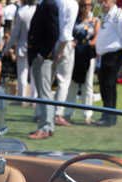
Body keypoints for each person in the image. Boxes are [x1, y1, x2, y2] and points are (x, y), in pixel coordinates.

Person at [92, 0, 122, 126]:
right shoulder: (106, 15)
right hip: (106, 55)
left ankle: (108, 117)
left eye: (105, 0)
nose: (102, 3)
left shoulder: (119, 14)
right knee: (108, 86)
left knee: (107, 87)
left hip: (114, 54)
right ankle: (110, 116)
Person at [26, 0, 59, 139]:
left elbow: (54, 33)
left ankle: (45, 127)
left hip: (43, 57)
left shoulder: (49, 4)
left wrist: (42, 54)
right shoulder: (44, 4)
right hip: (39, 55)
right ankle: (48, 125)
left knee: (44, 94)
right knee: (44, 93)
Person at [64, 0, 96, 123]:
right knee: (72, 84)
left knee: (87, 85)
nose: (86, 7)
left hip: (88, 55)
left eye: (88, 5)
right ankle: (69, 111)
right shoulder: (75, 20)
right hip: (75, 54)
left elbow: (96, 37)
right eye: (84, 5)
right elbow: (70, 34)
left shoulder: (95, 20)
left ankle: (87, 112)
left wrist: (88, 46)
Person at [51, 0, 76, 127]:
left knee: (47, 80)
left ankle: (42, 112)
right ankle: (58, 114)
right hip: (63, 44)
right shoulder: (72, 4)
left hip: (52, 41)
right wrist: (60, 51)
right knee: (64, 81)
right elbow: (66, 33)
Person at [6, 0, 35, 100]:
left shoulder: (22, 12)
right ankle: (33, 99)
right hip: (34, 48)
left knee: (22, 74)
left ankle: (22, 98)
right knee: (34, 75)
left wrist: (7, 48)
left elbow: (15, 33)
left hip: (23, 46)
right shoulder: (38, 11)